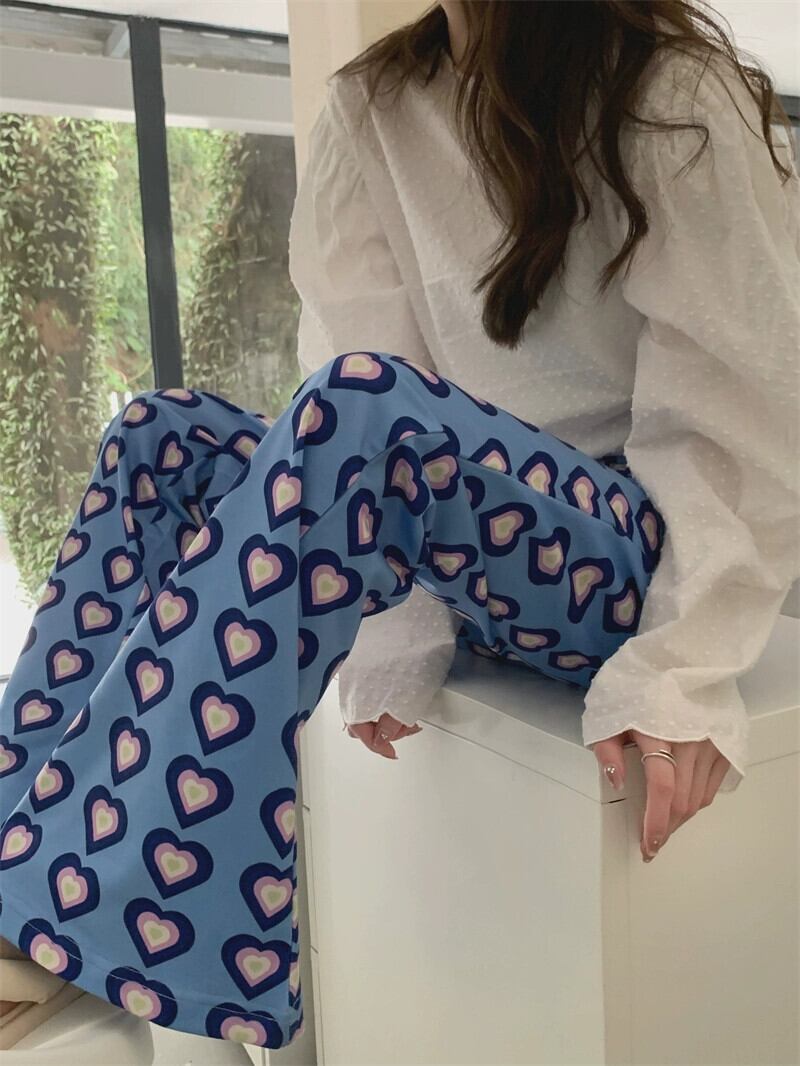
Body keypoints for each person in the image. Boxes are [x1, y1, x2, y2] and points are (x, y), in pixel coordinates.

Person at [0, 0, 797, 1051]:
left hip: (626, 551)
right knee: (163, 435)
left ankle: (122, 923)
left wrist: (682, 669)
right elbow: (357, 358)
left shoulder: (667, 90)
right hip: (456, 531)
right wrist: (399, 633)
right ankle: (15, 862)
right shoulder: (373, 103)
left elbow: (738, 402)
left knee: (364, 403)